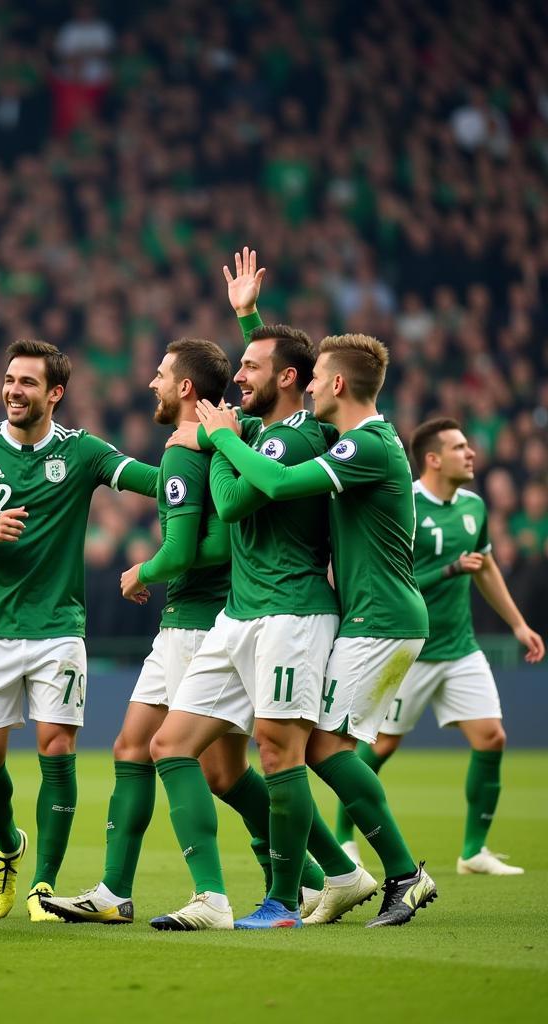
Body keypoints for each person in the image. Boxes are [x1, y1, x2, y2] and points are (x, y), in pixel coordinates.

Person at [145, 250, 366, 931]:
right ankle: (273, 887)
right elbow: (275, 371)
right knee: (170, 745)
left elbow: (240, 502)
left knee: (278, 750)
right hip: (241, 614)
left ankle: (282, 900)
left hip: (294, 611)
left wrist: (213, 443)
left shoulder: (292, 441)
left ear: (291, 381)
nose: (236, 376)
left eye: (248, 367)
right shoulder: (267, 428)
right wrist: (248, 316)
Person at [196, 327, 438, 928]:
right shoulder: (347, 437)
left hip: (380, 621)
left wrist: (224, 438)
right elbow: (283, 383)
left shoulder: (370, 447)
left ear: (332, 384)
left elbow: (275, 482)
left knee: (325, 748)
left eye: (315, 378)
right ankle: (358, 877)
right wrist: (251, 319)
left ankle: (403, 875)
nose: (304, 387)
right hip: (369, 618)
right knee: (325, 746)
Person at [0, 338, 157, 921]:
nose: (13, 391)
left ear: (54, 393)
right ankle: (9, 845)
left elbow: (148, 480)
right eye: (9, 380)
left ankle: (45, 884)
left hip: (56, 628)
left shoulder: (81, 452)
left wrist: (201, 451)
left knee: (57, 748)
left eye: (26, 383)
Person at [40, 338, 234, 925]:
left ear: (185, 388)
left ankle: (228, 893)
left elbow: (188, 549)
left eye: (160, 374)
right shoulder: (217, 441)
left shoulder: (183, 451)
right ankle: (113, 892)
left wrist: (140, 571)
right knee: (131, 748)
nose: (150, 382)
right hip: (183, 623)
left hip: (199, 627)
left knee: (207, 766)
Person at [336, 418, 544, 872]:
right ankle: (342, 837)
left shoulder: (472, 506)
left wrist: (518, 625)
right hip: (409, 651)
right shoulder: (402, 503)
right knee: (380, 747)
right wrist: (449, 569)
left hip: (461, 647)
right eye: (460, 447)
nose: (471, 453)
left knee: (492, 738)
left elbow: (484, 567)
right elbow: (394, 578)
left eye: (469, 445)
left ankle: (472, 851)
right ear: (433, 459)